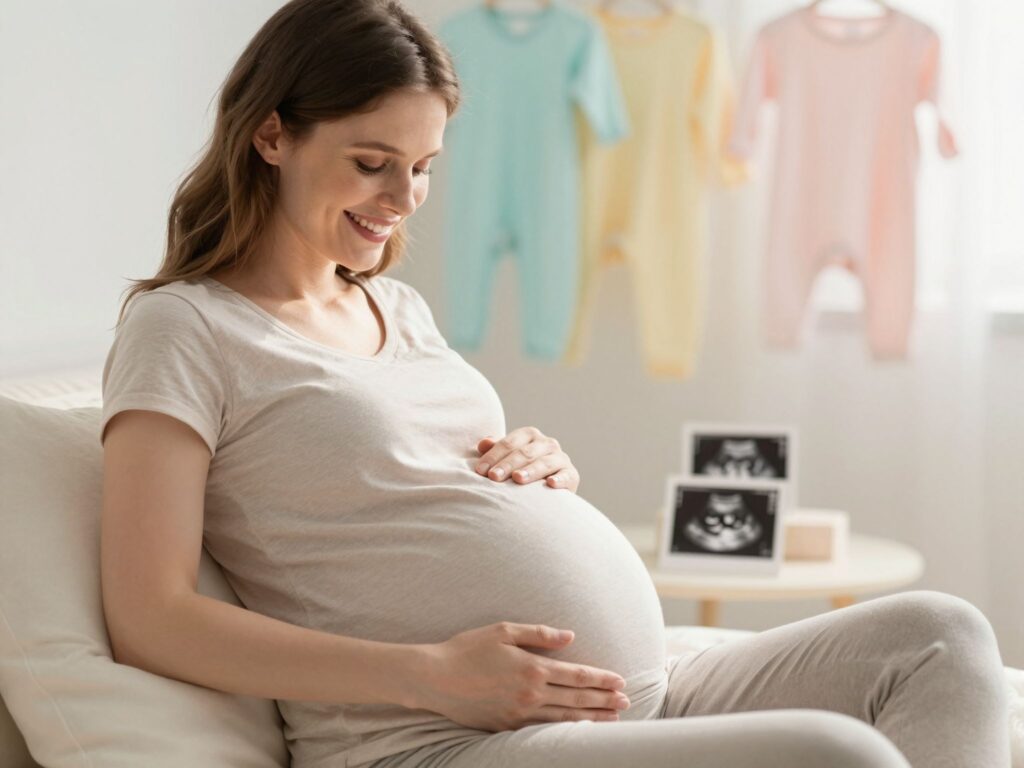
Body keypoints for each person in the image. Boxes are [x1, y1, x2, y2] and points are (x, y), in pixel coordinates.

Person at [98, 1, 1010, 767]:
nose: (405, 197)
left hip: (626, 694)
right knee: (839, 756)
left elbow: (405, 485)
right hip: (435, 737)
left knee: (944, 637)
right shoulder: (186, 328)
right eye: (372, 162)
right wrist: (427, 671)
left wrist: (539, 467)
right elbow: (150, 616)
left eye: (423, 168)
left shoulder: (395, 307)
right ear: (270, 135)